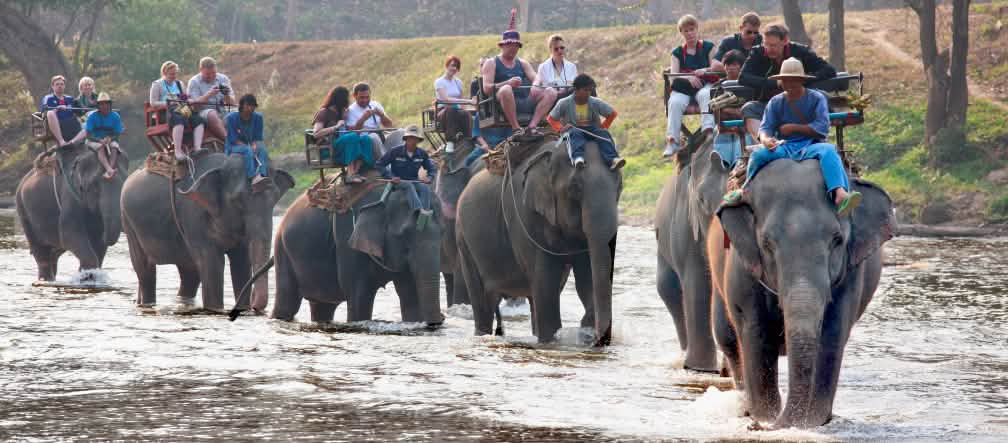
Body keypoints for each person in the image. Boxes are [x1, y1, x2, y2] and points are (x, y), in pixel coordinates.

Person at [723, 58, 861, 216]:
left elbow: (822, 127)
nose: (790, 85)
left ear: (802, 80)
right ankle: (746, 189)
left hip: (811, 145)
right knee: (758, 154)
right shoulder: (776, 102)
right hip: (785, 146)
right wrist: (766, 139)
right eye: (786, 81)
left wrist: (794, 128)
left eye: (793, 81)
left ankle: (839, 193)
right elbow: (766, 127)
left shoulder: (816, 98)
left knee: (829, 151)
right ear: (781, 82)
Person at [739, 23, 836, 145]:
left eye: (773, 45)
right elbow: (742, 77)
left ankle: (815, 141)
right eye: (766, 44)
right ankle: (765, 143)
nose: (769, 49)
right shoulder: (757, 53)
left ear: (785, 41)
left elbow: (829, 70)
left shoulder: (800, 51)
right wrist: (773, 83)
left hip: (802, 102)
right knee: (749, 108)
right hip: (770, 104)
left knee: (820, 97)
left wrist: (799, 80)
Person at [481, 9, 557, 136]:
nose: (513, 48)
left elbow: (536, 77)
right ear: (503, 46)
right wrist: (508, 83)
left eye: (516, 45)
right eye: (510, 45)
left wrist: (536, 84)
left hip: (525, 100)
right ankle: (516, 128)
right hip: (503, 103)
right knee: (506, 89)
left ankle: (532, 126)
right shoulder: (491, 63)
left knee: (551, 91)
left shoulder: (522, 63)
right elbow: (487, 88)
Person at [665, 14, 722, 159]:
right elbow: (673, 76)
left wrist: (705, 71)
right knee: (675, 102)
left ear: (697, 29)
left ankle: (708, 132)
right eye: (686, 31)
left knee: (705, 94)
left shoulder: (708, 47)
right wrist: (689, 77)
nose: (690, 33)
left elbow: (715, 68)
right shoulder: (677, 53)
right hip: (684, 88)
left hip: (705, 84)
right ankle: (673, 141)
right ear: (681, 33)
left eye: (692, 29)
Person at [547, 74, 625, 170]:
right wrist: (560, 129)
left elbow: (612, 114)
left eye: (590, 90)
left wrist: (603, 126)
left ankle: (613, 159)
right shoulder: (564, 103)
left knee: (603, 134)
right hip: (574, 129)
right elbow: (551, 118)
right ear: (576, 89)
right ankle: (578, 158)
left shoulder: (595, 102)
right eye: (585, 90)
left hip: (592, 129)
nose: (588, 93)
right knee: (575, 134)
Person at [312, 86, 376, 184]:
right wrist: (336, 127)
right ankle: (350, 174)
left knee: (366, 139)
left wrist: (349, 121)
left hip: (341, 145)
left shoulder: (341, 112)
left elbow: (344, 131)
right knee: (352, 137)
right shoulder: (324, 112)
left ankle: (355, 172)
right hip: (328, 148)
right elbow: (316, 134)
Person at [375, 125, 438, 216]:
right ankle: (419, 210)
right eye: (410, 138)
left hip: (414, 180)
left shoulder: (422, 154)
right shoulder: (395, 151)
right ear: (406, 139)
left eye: (415, 138)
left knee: (425, 188)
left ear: (418, 140)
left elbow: (431, 168)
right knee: (408, 185)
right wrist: (391, 177)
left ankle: (425, 213)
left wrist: (430, 177)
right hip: (397, 181)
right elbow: (379, 164)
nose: (412, 141)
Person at [150, 60, 206, 160]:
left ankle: (197, 148)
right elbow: (153, 103)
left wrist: (190, 100)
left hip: (181, 109)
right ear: (164, 73)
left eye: (175, 73)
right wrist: (169, 103)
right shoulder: (157, 84)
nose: (174, 76)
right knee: (178, 119)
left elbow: (184, 98)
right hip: (164, 112)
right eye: (171, 74)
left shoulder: (179, 84)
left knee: (198, 119)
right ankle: (178, 151)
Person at [711, 49, 754, 168]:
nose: (730, 68)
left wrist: (730, 110)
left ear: (741, 67)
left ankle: (738, 161)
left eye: (734, 64)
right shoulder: (718, 87)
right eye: (728, 64)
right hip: (724, 123)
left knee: (744, 135)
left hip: (745, 122)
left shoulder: (749, 85)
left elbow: (752, 105)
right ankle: (722, 160)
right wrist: (732, 111)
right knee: (720, 133)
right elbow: (713, 107)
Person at [435, 55, 476, 153]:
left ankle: (468, 139)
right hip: (444, 111)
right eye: (452, 65)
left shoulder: (458, 82)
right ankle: (450, 141)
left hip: (456, 110)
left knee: (465, 114)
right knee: (451, 110)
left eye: (456, 67)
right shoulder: (439, 82)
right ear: (447, 66)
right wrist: (469, 101)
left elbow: (460, 100)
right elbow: (446, 99)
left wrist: (464, 108)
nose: (454, 68)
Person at [187, 57, 235, 141]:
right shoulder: (194, 82)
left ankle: (248, 141)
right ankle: (228, 140)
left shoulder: (223, 79)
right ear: (200, 70)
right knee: (212, 113)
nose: (211, 76)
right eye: (208, 74)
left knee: (239, 113)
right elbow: (194, 106)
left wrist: (226, 95)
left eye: (213, 73)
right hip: (203, 112)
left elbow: (232, 102)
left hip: (222, 111)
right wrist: (208, 95)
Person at [225, 94, 269, 185]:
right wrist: (248, 146)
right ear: (242, 106)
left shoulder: (258, 118)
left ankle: (262, 175)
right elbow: (233, 139)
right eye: (248, 105)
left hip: (250, 143)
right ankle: (252, 177)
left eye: (253, 105)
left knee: (262, 149)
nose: (250, 108)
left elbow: (258, 137)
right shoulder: (231, 118)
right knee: (247, 150)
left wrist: (254, 144)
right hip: (234, 146)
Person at [346, 82, 394, 156]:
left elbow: (389, 126)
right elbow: (353, 134)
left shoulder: (375, 104)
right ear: (354, 96)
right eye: (362, 97)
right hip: (366, 141)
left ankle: (400, 162)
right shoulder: (350, 111)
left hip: (380, 137)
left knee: (401, 132)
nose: (365, 100)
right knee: (374, 136)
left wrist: (381, 115)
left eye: (367, 97)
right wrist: (363, 119)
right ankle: (385, 163)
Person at [83, 92, 123, 179]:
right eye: (101, 104)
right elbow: (88, 135)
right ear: (98, 106)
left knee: (115, 146)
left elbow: (118, 133)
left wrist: (110, 138)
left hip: (109, 139)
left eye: (106, 103)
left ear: (110, 104)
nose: (104, 106)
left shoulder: (115, 116)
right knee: (100, 147)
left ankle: (110, 169)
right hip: (93, 140)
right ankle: (108, 169)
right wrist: (99, 140)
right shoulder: (92, 117)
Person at [40, 75, 85, 148]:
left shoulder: (70, 98)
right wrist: (57, 109)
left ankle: (73, 142)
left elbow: (80, 112)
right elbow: (44, 112)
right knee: (50, 113)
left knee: (87, 123)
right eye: (57, 84)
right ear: (53, 86)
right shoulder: (48, 98)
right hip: (57, 124)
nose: (59, 86)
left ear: (64, 86)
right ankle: (61, 141)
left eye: (61, 84)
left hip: (71, 124)